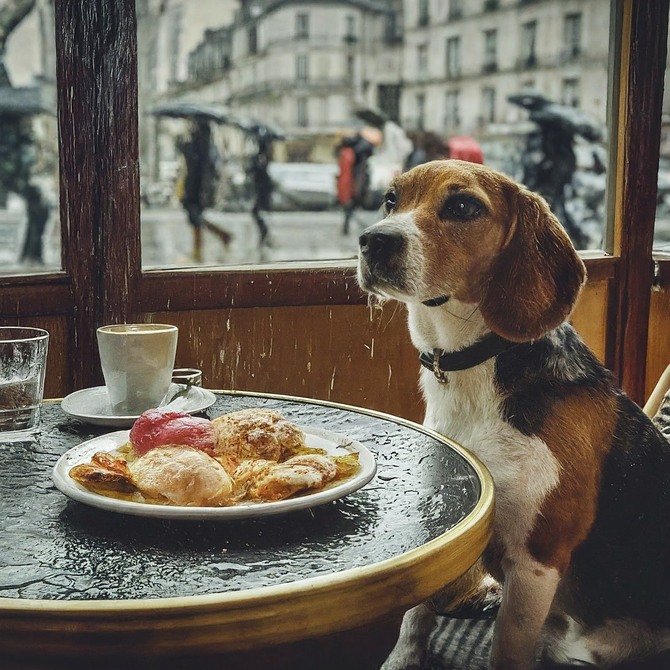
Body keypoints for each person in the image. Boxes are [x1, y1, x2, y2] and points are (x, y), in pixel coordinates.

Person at [509, 89, 603, 249]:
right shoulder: (547, 140)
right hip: (549, 181)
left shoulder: (556, 141)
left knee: (552, 209)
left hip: (552, 179)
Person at [177, 118, 232, 262]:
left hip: (195, 186)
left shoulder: (199, 143)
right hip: (198, 186)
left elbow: (193, 161)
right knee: (195, 218)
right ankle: (200, 248)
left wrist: (182, 144)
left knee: (195, 217)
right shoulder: (205, 142)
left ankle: (204, 245)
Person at [336, 130, 376, 235]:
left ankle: (350, 225)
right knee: (353, 206)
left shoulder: (347, 153)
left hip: (351, 183)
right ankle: (363, 227)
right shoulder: (354, 154)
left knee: (351, 208)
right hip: (354, 183)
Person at [248, 126, 274, 247]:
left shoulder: (261, 157)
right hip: (262, 188)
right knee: (257, 212)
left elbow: (258, 171)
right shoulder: (262, 156)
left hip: (262, 189)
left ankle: (264, 235)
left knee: (256, 212)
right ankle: (264, 236)